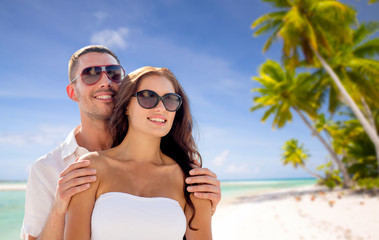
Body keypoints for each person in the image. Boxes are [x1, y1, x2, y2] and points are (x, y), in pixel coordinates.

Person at [21, 45, 221, 240]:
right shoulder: (54, 168)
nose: (105, 81)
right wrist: (59, 207)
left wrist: (207, 207)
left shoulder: (188, 172)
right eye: (90, 74)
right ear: (73, 92)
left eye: (114, 73)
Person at [64, 66, 212, 239]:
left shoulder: (190, 178)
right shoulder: (90, 168)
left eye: (170, 100)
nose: (161, 108)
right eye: (148, 97)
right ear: (126, 105)